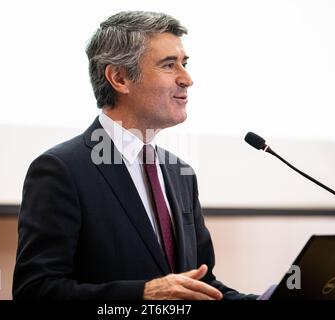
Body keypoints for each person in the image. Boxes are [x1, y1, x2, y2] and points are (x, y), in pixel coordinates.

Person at [13, 11, 258, 300]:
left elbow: (201, 287)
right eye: (169, 65)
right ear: (119, 78)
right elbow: (35, 291)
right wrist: (141, 295)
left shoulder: (181, 173)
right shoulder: (62, 170)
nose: (187, 79)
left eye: (185, 64)